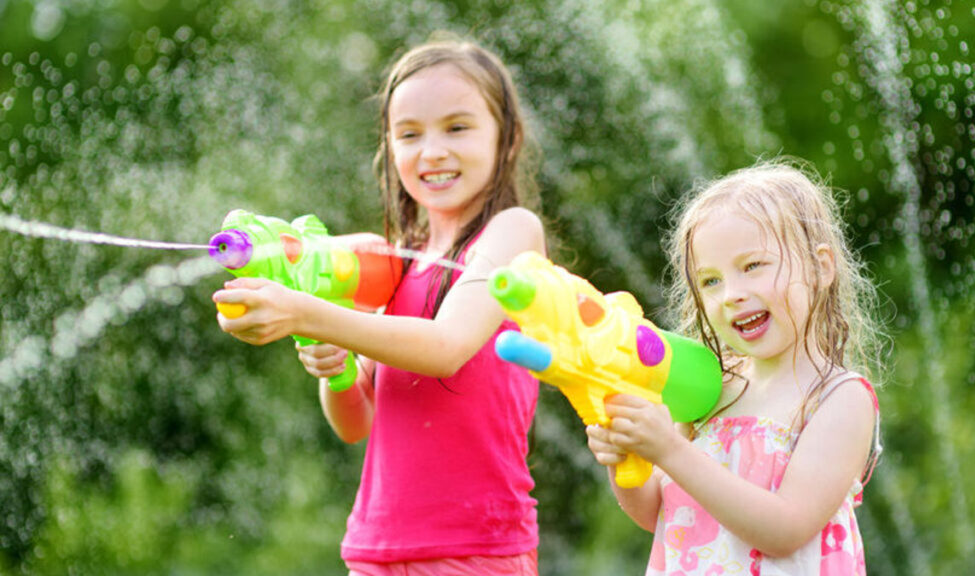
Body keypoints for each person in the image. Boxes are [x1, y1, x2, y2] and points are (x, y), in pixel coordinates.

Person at [213, 37, 545, 575]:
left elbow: (446, 348)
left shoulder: (511, 234)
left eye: (457, 128)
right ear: (389, 147)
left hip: (475, 549)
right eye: (409, 134)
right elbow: (355, 423)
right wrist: (335, 367)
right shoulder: (395, 266)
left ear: (507, 139)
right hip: (376, 548)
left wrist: (305, 312)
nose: (431, 150)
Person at [586, 159, 885, 575]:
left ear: (821, 267)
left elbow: (786, 528)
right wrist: (626, 458)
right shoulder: (711, 385)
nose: (731, 295)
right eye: (710, 281)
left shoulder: (840, 398)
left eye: (752, 267)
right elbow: (661, 513)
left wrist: (668, 451)